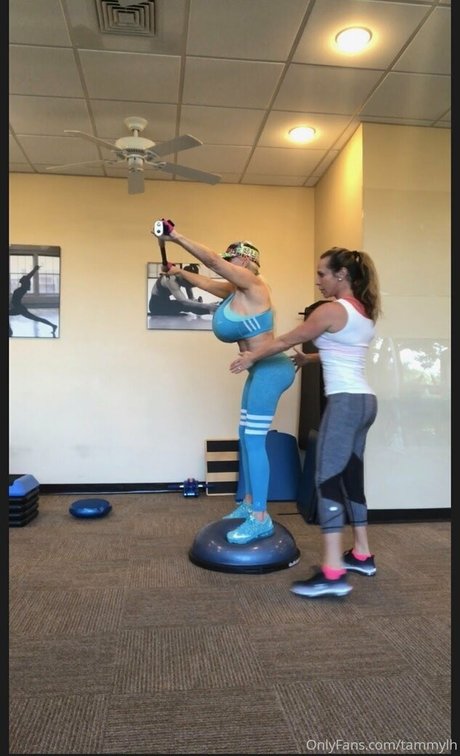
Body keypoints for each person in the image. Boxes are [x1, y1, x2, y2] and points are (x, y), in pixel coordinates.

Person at [230, 246, 381, 596]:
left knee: (326, 481)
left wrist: (251, 356)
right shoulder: (364, 311)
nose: (318, 281)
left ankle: (332, 574)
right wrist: (309, 360)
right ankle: (361, 554)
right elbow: (344, 352)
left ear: (342, 275)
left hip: (345, 405)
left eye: (322, 274)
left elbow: (285, 339)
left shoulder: (331, 310)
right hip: (365, 402)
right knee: (351, 477)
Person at [156, 220, 296, 545]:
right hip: (259, 370)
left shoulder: (255, 284)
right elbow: (206, 280)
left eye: (231, 260)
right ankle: (249, 504)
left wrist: (175, 236)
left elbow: (212, 263)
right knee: (245, 436)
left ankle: (260, 518)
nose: (227, 265)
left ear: (244, 261)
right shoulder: (236, 291)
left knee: (255, 441)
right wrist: (177, 271)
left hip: (272, 370)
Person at [148, 263, 219, 317]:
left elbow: (190, 296)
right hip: (156, 307)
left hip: (166, 302)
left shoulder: (184, 277)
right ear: (182, 277)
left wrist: (195, 301)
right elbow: (184, 301)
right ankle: (212, 311)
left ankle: (211, 309)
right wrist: (207, 306)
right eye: (187, 283)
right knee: (185, 305)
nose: (188, 285)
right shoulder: (170, 280)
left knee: (191, 304)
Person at [9, 264, 57, 337]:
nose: (22, 277)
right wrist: (34, 269)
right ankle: (53, 325)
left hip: (19, 309)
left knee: (37, 319)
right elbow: (28, 277)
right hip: (18, 308)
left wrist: (34, 270)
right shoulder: (21, 288)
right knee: (37, 319)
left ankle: (9, 332)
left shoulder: (22, 289)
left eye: (23, 277)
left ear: (24, 281)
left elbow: (28, 276)